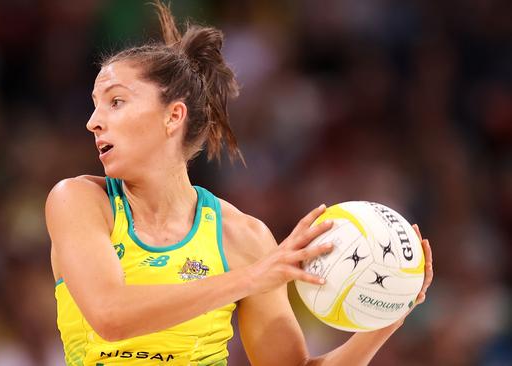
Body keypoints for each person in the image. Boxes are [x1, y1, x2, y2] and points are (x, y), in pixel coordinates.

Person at [44, 1, 433, 365]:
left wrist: (388, 312)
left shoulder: (243, 239)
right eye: (94, 104)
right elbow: (110, 316)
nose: (93, 120)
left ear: (173, 116)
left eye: (115, 101)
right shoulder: (78, 201)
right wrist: (251, 277)